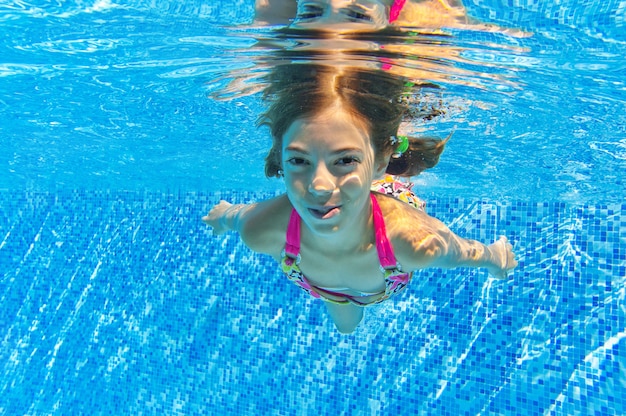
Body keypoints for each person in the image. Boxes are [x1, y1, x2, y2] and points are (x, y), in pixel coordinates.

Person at [202, 64, 517, 334]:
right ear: (279, 161)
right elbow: (238, 216)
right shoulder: (262, 230)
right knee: (346, 326)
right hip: (329, 290)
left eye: (345, 160)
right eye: (299, 161)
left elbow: (466, 253)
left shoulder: (415, 244)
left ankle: (393, 153)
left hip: (386, 228)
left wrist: (495, 256)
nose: (320, 187)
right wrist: (224, 215)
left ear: (380, 162)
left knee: (347, 320)